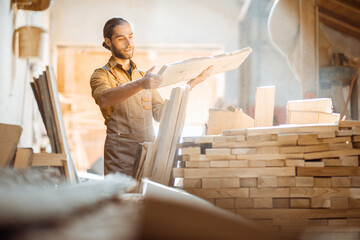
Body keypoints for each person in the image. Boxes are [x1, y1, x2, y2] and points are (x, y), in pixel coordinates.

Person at [90, 17, 213, 177]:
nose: (129, 43)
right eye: (121, 38)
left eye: (131, 36)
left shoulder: (142, 75)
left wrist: (191, 84)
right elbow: (104, 99)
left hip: (148, 152)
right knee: (123, 200)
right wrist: (141, 84)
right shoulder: (102, 74)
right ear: (108, 41)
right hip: (120, 155)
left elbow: (161, 114)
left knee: (148, 200)